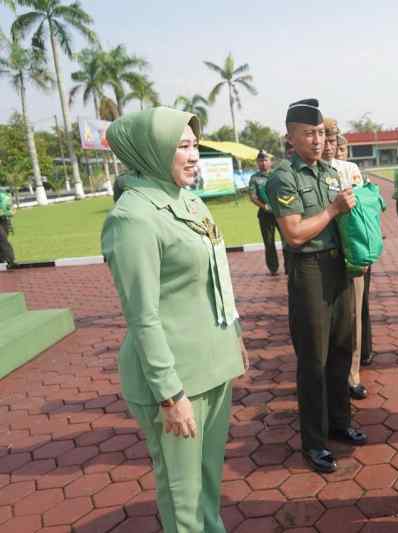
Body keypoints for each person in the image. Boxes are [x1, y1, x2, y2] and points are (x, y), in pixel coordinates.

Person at [101, 107, 247, 533]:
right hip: (177, 377)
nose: (194, 155)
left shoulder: (190, 201)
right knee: (183, 497)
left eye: (195, 145)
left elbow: (217, 278)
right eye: (182, 146)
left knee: (208, 482)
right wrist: (170, 395)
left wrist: (234, 335)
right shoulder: (132, 219)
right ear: (153, 150)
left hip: (214, 363)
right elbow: (142, 316)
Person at [266, 99, 365, 474]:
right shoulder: (284, 177)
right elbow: (294, 233)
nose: (318, 140)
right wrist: (333, 209)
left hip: (339, 265)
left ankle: (340, 422)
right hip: (308, 269)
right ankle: (314, 442)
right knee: (314, 360)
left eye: (321, 133)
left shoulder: (329, 172)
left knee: (341, 349)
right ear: (290, 138)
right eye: (309, 134)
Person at [322, 118, 370, 400]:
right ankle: (329, 373)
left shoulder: (349, 169)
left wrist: (364, 250)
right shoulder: (310, 173)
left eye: (333, 140)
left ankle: (353, 373)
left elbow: (362, 212)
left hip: (351, 253)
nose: (328, 146)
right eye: (324, 139)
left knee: (353, 316)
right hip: (322, 254)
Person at [248, 150, 281, 276]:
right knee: (269, 242)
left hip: (281, 213)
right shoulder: (254, 178)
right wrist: (264, 206)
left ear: (270, 161)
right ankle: (273, 268)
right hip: (265, 215)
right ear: (257, 162)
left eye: (266, 160)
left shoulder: (277, 175)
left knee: (287, 240)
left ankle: (290, 266)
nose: (263, 163)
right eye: (261, 160)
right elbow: (253, 197)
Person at [0, 187, 15, 266]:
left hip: (4, 218)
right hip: (4, 218)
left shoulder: (5, 195)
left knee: (3, 239)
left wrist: (9, 214)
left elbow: (8, 209)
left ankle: (3, 260)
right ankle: (10, 260)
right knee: (2, 238)